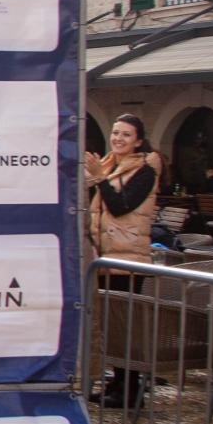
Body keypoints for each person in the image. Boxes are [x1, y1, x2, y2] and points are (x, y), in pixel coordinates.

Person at [85, 113, 163, 408]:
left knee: (124, 326)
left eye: (126, 135)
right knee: (111, 325)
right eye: (116, 133)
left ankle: (130, 388)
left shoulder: (146, 170)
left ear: (138, 141)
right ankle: (118, 382)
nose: (118, 138)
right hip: (106, 253)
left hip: (127, 255)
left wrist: (100, 180)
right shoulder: (109, 164)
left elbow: (121, 205)